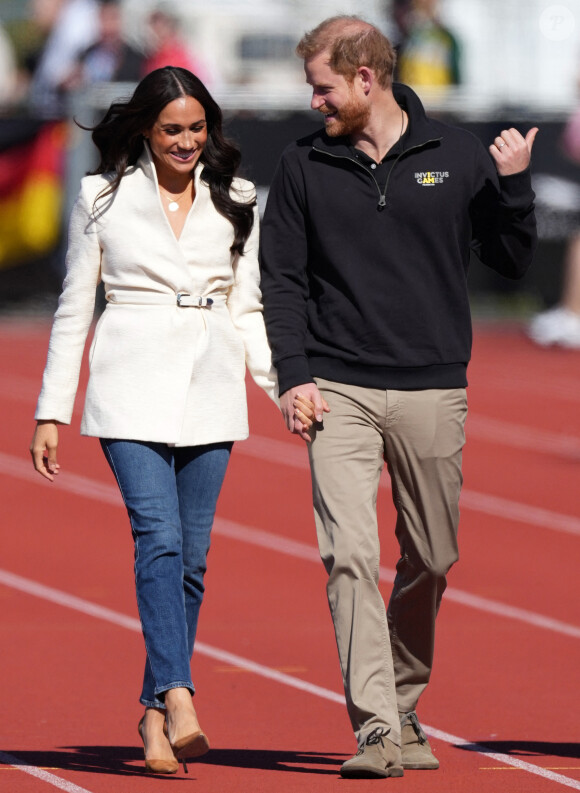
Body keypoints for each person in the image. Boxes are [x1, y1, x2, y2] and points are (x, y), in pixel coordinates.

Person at [260, 15, 537, 780]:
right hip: (337, 388)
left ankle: (406, 700)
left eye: (322, 87)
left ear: (365, 79)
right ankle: (379, 727)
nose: (313, 101)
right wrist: (295, 373)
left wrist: (512, 186)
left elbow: (511, 260)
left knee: (434, 557)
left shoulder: (452, 153)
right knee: (348, 553)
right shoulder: (302, 163)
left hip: (433, 385)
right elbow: (280, 279)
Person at [30, 66, 314, 775]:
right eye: (172, 130)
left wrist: (283, 387)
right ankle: (181, 690)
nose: (186, 142)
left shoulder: (238, 197)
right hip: (128, 383)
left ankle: (154, 712)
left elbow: (246, 307)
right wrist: (50, 410)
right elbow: (74, 306)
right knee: (156, 535)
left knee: (192, 558)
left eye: (196, 129)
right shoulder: (100, 198)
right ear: (145, 132)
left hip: (211, 384)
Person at [61, 0, 145, 91]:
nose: (108, 27)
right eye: (104, 19)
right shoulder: (86, 54)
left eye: (112, 19)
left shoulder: (135, 58)